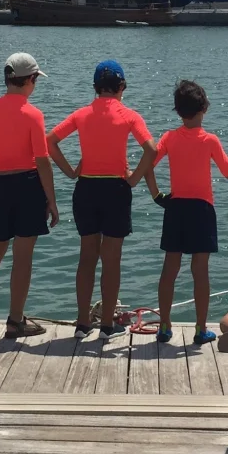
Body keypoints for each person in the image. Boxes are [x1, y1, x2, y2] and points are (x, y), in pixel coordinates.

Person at [48, 60, 158, 341]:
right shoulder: (129, 115)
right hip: (116, 190)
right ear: (121, 87)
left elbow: (50, 141)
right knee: (111, 260)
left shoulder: (81, 114)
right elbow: (151, 149)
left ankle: (83, 323)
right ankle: (107, 324)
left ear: (96, 88)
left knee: (86, 257)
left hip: (86, 188)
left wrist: (70, 171)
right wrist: (134, 179)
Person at [145, 80, 228, 346]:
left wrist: (156, 194)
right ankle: (200, 329)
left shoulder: (169, 138)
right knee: (200, 270)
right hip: (202, 209)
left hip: (175, 208)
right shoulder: (210, 140)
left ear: (178, 111)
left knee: (169, 268)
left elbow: (147, 165)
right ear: (204, 108)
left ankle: (164, 326)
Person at [0, 52, 59, 339]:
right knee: (22, 258)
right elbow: (42, 161)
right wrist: (52, 200)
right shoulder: (33, 114)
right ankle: (15, 321)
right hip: (28, 186)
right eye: (35, 80)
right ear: (30, 80)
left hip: (0, 186)